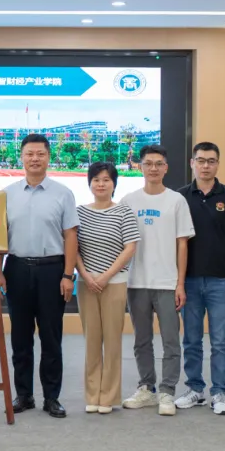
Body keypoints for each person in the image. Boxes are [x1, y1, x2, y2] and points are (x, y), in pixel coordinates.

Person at [1, 133, 79, 419]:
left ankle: (51, 397)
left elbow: (71, 236)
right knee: (20, 338)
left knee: (51, 337)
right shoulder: (6, 194)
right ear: (21, 157)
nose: (34, 159)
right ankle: (24, 395)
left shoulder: (63, 193)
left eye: (40, 154)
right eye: (29, 154)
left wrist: (68, 275)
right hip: (17, 269)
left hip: (52, 271)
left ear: (49, 157)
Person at [120, 145, 195, 417]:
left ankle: (167, 391)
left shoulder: (176, 201)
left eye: (158, 163)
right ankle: (147, 388)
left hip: (167, 282)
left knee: (171, 341)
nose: (153, 168)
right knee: (141, 340)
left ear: (166, 168)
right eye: (148, 163)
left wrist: (180, 283)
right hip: (136, 282)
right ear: (140, 167)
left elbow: (182, 245)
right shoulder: (128, 201)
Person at [175, 142, 225, 416]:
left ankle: (220, 392)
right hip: (189, 281)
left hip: (221, 280)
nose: (206, 165)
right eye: (201, 160)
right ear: (192, 163)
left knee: (220, 341)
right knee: (191, 340)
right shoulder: (180, 196)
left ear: (218, 164)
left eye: (211, 161)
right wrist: (178, 282)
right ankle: (195, 389)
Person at [75, 162, 139, 415]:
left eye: (106, 180)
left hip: (114, 283)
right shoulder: (79, 213)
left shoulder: (124, 212)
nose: (101, 184)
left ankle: (109, 397)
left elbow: (130, 248)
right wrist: (86, 275)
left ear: (114, 184)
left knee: (112, 342)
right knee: (91, 341)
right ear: (89, 183)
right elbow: (73, 248)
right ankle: (92, 395)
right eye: (96, 180)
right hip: (86, 284)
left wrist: (105, 277)